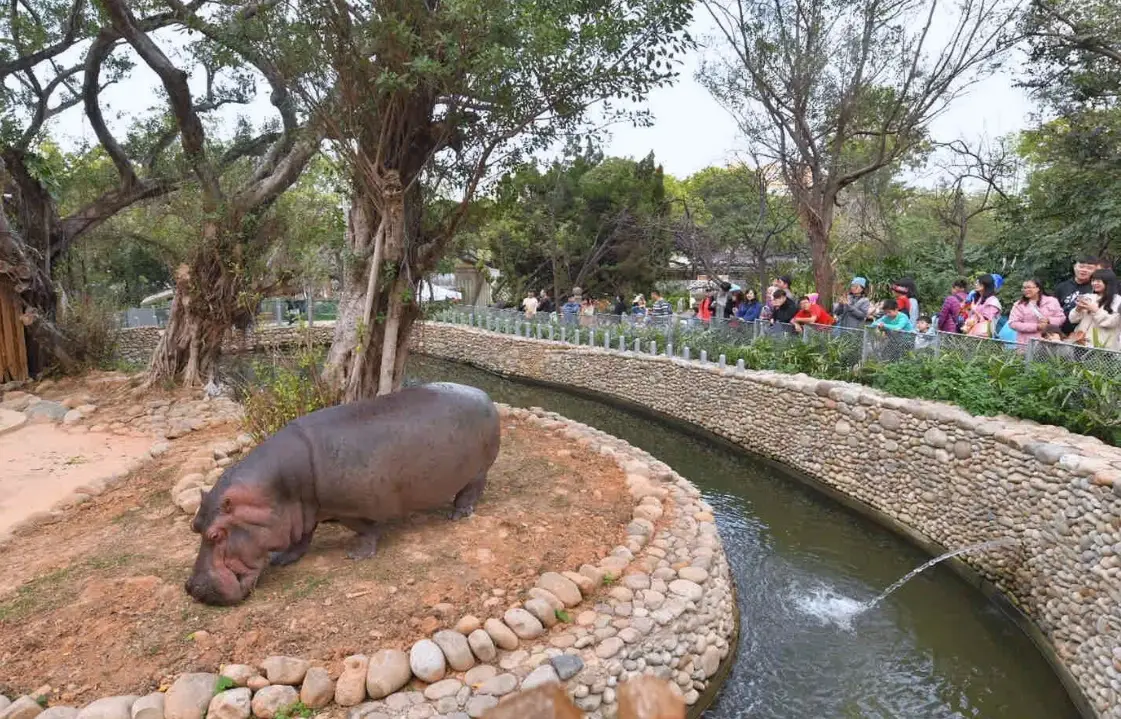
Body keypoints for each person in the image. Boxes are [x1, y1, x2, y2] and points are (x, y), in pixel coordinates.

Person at [1068, 269, 1121, 348]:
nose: (1094, 283)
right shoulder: (1088, 297)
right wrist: (1078, 309)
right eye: (1093, 280)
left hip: (1103, 347)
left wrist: (1095, 310)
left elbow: (1112, 322)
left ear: (1108, 282)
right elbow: (1072, 319)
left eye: (1098, 281)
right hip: (1080, 343)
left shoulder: (1118, 300)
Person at [1008, 278, 1066, 345]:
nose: (1025, 290)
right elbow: (1013, 323)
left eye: (1028, 287)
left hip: (1050, 343)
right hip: (1027, 343)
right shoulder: (1019, 305)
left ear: (1038, 288)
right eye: (1024, 288)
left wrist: (1049, 320)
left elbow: (1062, 318)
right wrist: (1036, 326)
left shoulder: (1052, 301)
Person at [1055, 255, 1101, 336]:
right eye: (1081, 266)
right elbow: (1054, 310)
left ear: (1096, 270)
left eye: (1089, 268)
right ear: (1074, 267)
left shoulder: (1097, 288)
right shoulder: (1062, 287)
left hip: (1085, 334)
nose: (1084, 270)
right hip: (1061, 332)